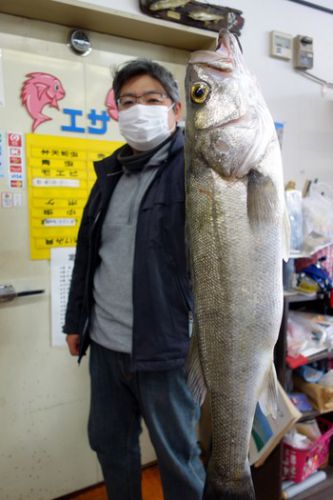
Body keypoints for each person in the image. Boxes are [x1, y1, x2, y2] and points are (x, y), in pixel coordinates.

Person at [63, 58, 205, 500]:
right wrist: (75, 321)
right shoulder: (108, 174)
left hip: (166, 347)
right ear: (115, 112)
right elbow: (89, 254)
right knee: (111, 445)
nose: (138, 108)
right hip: (105, 345)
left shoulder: (197, 172)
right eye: (128, 101)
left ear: (176, 110)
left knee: (177, 455)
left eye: (151, 99)